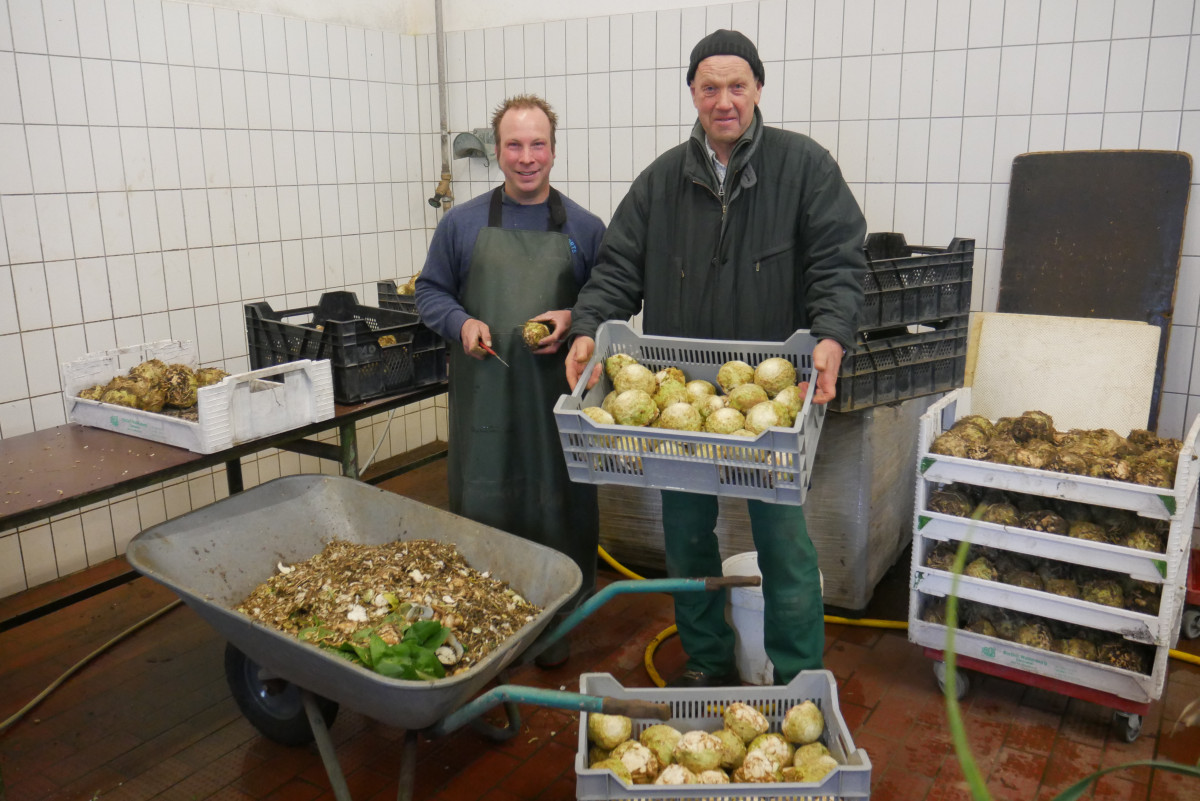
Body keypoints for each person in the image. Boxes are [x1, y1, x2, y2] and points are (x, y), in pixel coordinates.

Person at [565, 30, 867, 687]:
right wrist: (589, 328)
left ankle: (796, 676)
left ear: (758, 88)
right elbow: (617, 268)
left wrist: (832, 334)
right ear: (693, 94)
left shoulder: (804, 167)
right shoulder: (660, 181)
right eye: (709, 87)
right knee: (686, 534)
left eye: (736, 86)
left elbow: (839, 262)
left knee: (782, 539)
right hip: (684, 396)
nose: (723, 100)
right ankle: (706, 657)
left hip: (768, 402)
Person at [416, 95, 606, 668]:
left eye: (538, 144)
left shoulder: (586, 228)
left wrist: (576, 319)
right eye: (514, 145)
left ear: (554, 147)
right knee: (485, 507)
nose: (527, 158)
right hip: (486, 404)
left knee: (560, 509)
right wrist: (462, 321)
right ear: (497, 152)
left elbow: (611, 302)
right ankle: (485, 628)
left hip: (559, 407)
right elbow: (430, 291)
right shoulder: (463, 223)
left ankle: (557, 629)